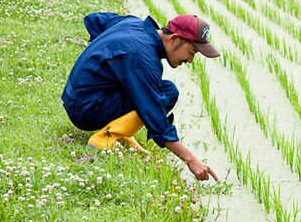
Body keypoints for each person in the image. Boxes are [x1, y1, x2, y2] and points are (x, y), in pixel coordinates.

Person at [62, 12, 220, 181]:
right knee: (167, 92)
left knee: (157, 89)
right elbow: (155, 117)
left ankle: (122, 135)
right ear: (174, 39)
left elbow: (94, 20)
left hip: (76, 97)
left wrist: (102, 57)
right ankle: (104, 139)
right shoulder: (142, 57)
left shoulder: (133, 24)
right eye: (191, 52)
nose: (190, 60)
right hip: (86, 110)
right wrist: (191, 159)